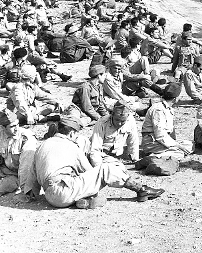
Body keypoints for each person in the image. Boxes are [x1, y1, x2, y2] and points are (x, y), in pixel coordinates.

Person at [29, 114, 164, 209]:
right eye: (76, 135)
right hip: (64, 191)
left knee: (78, 183)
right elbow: (89, 171)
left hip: (49, 196)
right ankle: (141, 190)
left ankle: (84, 202)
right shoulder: (72, 146)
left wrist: (31, 194)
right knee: (105, 169)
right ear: (71, 133)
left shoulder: (42, 145)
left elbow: (33, 173)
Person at [0, 110, 37, 199]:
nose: (16, 128)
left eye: (17, 124)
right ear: (3, 128)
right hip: (1, 172)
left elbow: (25, 168)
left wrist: (24, 190)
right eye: (12, 126)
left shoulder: (26, 138)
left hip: (16, 176)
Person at [140, 83, 193, 160]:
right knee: (180, 153)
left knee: (189, 145)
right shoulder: (158, 110)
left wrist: (176, 144)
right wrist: (178, 145)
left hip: (162, 140)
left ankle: (163, 154)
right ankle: (154, 157)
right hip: (153, 142)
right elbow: (160, 135)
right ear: (175, 99)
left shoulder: (167, 108)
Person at [90, 101, 140, 166]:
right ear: (112, 115)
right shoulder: (102, 123)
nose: (119, 123)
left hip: (117, 156)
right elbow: (95, 150)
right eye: (117, 120)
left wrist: (135, 160)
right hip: (101, 155)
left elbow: (133, 141)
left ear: (127, 116)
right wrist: (99, 166)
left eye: (123, 121)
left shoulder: (130, 121)